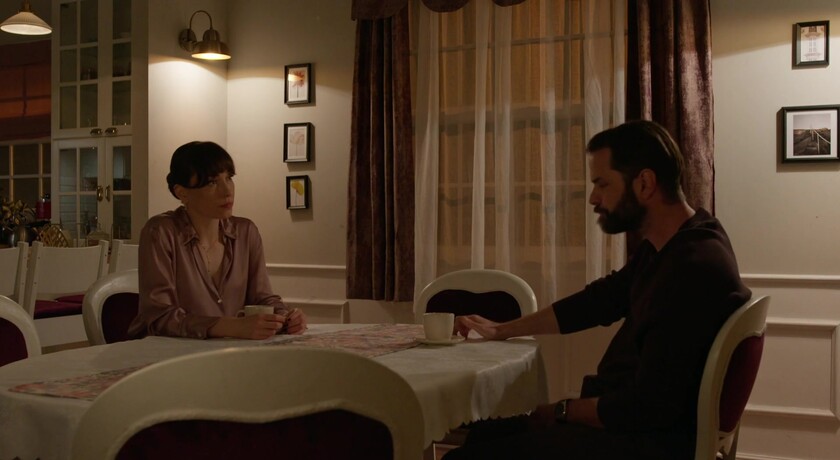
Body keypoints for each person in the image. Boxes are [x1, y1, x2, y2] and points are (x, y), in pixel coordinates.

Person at [443, 120, 751, 460]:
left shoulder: (691, 269)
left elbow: (648, 406)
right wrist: (502, 329)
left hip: (645, 441)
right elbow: (600, 301)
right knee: (485, 432)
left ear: (645, 183)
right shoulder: (679, 243)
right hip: (634, 425)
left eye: (602, 184)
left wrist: (561, 410)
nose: (593, 198)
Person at [127, 141, 307, 340]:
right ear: (181, 192)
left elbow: (262, 298)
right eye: (212, 182)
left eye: (229, 178)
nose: (227, 191)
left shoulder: (246, 232)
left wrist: (285, 316)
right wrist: (231, 326)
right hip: (167, 352)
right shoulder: (160, 232)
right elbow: (159, 317)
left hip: (228, 352)